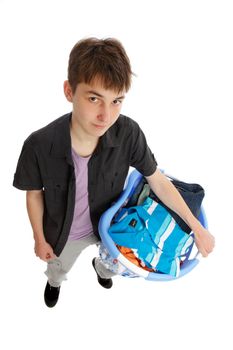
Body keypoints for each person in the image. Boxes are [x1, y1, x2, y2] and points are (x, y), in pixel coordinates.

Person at [13, 37, 215, 308]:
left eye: (117, 101)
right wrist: (39, 239)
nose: (106, 116)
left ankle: (102, 269)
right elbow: (34, 195)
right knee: (58, 269)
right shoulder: (37, 145)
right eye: (94, 98)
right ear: (69, 91)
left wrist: (196, 226)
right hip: (63, 234)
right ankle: (55, 283)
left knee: (111, 266)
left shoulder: (128, 132)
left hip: (110, 227)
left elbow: (157, 180)